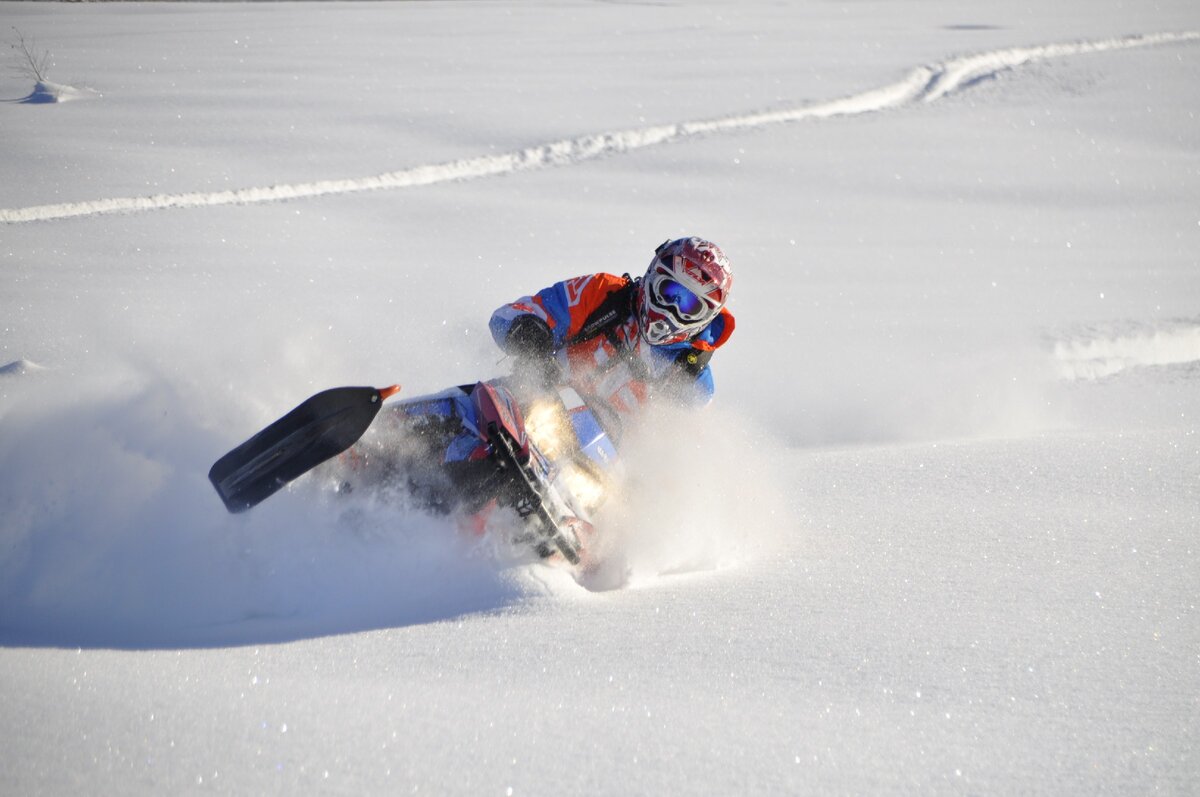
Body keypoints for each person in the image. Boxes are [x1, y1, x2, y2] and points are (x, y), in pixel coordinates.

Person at [488, 236, 735, 425]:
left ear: (705, 318)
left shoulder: (692, 378)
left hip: (596, 468)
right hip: (532, 403)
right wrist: (529, 336)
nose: (672, 309)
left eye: (689, 306)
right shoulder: (603, 293)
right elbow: (510, 315)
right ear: (652, 277)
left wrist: (655, 478)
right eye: (669, 292)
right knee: (462, 410)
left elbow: (688, 450)